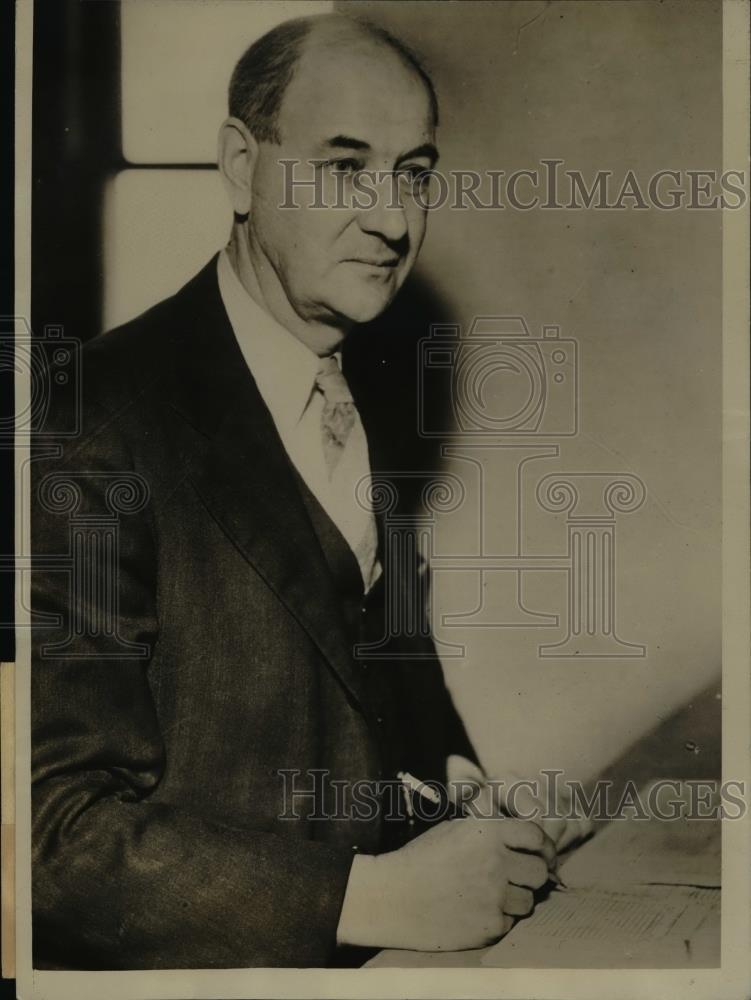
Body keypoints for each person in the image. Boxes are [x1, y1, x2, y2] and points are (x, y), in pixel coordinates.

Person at [31, 13, 580, 970]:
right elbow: (50, 841)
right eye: (343, 165)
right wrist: (378, 897)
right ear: (242, 167)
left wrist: (468, 800)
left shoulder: (362, 395)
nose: (395, 218)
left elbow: (392, 689)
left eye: (414, 172)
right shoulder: (87, 425)